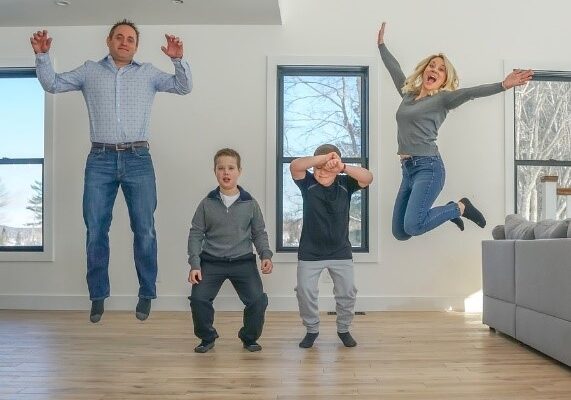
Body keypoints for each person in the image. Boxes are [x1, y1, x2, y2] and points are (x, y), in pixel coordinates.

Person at [30, 20, 193, 322]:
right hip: (100, 159)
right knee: (95, 230)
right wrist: (42, 56)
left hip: (138, 158)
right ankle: (98, 295)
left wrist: (177, 59)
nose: (124, 42)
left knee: (144, 229)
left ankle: (146, 292)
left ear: (136, 46)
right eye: (119, 37)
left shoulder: (148, 74)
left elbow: (184, 87)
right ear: (108, 41)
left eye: (130, 39)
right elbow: (53, 83)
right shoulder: (89, 71)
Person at [377, 22, 533, 241]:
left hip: (428, 168)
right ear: (424, 71)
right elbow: (394, 69)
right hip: (408, 169)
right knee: (400, 232)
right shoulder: (408, 95)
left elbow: (471, 93)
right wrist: (381, 46)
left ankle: (460, 207)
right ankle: (453, 208)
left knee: (413, 226)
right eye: (432, 66)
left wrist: (503, 85)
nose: (435, 70)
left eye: (441, 69)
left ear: (445, 78)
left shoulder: (443, 100)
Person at [187, 148, 273, 353]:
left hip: (243, 261)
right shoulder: (206, 204)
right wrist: (195, 264)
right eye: (221, 168)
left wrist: (265, 255)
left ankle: (249, 337)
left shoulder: (250, 204)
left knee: (258, 301)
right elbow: (196, 234)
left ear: (239, 171)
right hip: (211, 262)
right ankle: (207, 338)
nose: (226, 172)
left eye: (231, 168)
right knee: (198, 299)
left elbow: (259, 233)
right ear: (215, 171)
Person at [290, 144, 373, 348]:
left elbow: (368, 177)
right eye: (318, 168)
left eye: (327, 168)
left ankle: (343, 329)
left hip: (340, 251)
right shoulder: (307, 183)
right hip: (310, 252)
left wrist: (341, 166)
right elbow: (295, 166)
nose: (321, 172)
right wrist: (322, 159)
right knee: (304, 291)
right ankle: (312, 329)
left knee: (347, 292)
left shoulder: (346, 183)